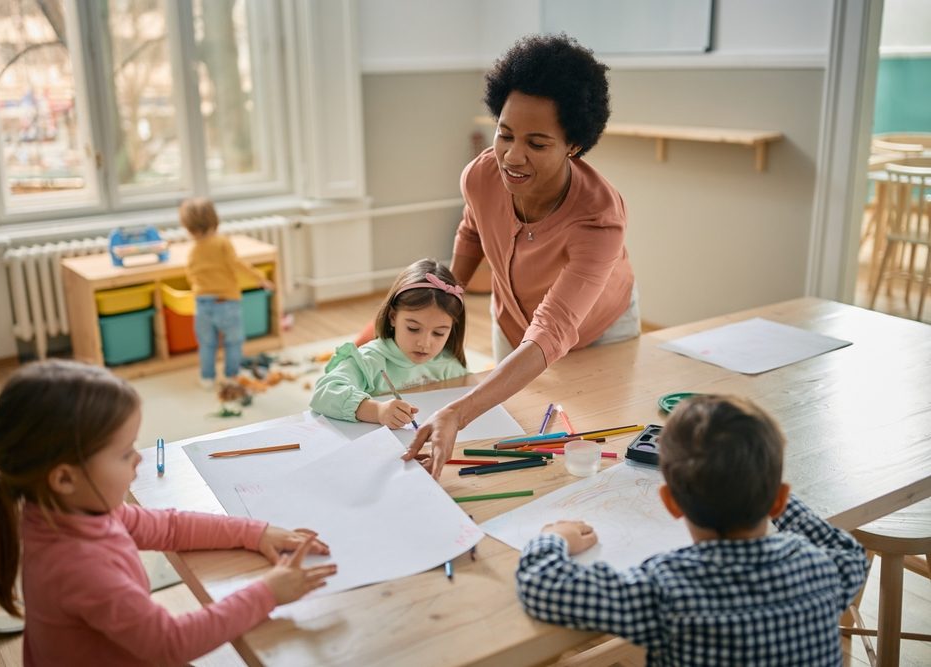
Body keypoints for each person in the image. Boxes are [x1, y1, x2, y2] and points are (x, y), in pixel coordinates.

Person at [0, 360, 337, 666]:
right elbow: (170, 643)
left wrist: (253, 532)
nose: (139, 458)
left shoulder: (74, 509)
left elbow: (169, 526)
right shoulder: (78, 566)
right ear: (63, 478)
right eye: (125, 452)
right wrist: (267, 592)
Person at [403, 34, 639, 478]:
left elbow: (554, 329)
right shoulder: (480, 175)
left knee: (596, 450)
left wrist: (456, 412)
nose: (512, 156)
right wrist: (443, 302)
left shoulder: (599, 217)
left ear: (573, 145)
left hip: (598, 329)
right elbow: (473, 229)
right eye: (504, 134)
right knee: (516, 436)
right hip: (514, 319)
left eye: (537, 143)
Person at [515, 396, 868, 666]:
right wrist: (768, 492)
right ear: (779, 501)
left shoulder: (668, 588)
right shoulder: (824, 569)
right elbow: (849, 552)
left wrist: (556, 537)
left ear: (671, 503)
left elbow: (542, 583)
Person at [310, 259, 468, 428]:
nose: (425, 343)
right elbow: (324, 393)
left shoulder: (448, 365)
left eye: (439, 333)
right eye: (413, 328)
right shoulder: (368, 360)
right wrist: (376, 411)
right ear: (393, 317)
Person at [179, 197, 274, 389]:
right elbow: (237, 264)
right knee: (233, 342)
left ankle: (207, 378)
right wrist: (259, 278)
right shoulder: (222, 243)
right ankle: (231, 375)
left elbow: (191, 273)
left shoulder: (193, 250)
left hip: (202, 304)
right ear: (215, 220)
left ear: (188, 227)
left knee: (207, 344)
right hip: (227, 302)